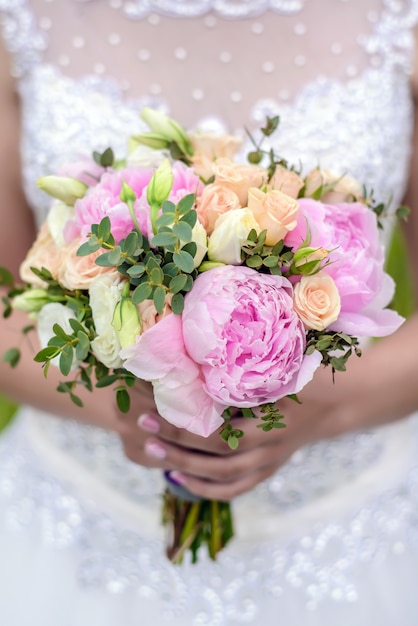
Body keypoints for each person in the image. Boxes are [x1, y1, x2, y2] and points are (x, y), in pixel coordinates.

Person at [0, 1, 417, 624]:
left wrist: (322, 410)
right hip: (83, 512)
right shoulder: (22, 17)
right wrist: (129, 408)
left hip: (348, 518)